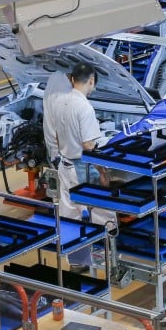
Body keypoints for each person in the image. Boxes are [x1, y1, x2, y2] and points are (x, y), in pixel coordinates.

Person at [49, 62, 114, 271]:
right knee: (102, 211)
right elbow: (89, 145)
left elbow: (56, 137)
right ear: (91, 81)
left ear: (71, 79)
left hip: (64, 164)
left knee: (69, 214)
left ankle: (77, 262)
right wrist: (103, 172)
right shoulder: (84, 107)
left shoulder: (59, 102)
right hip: (82, 167)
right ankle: (107, 258)